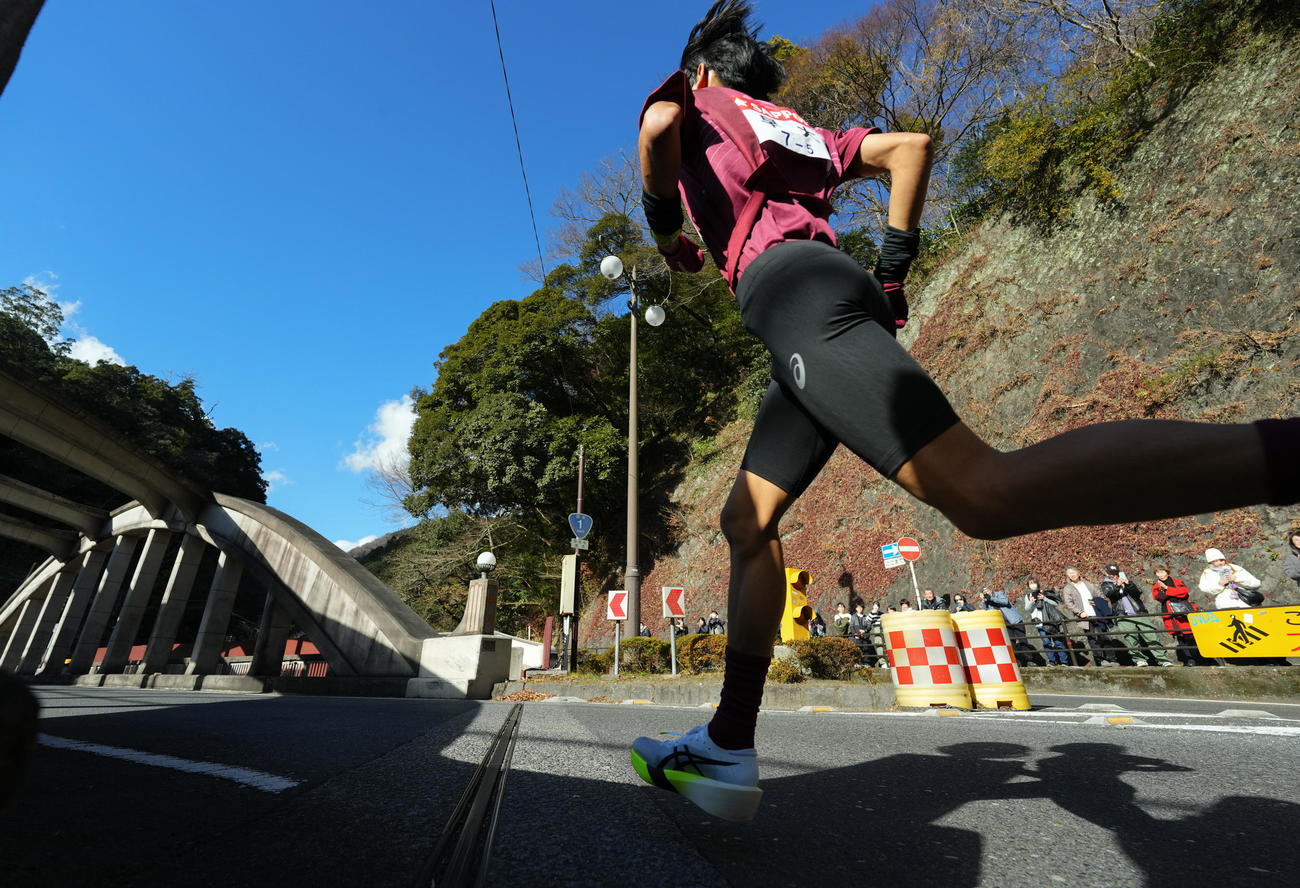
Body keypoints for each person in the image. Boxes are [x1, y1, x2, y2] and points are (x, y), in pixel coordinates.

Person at [629, 0, 1300, 822]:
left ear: (700, 67)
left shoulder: (696, 95)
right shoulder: (794, 125)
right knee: (746, 521)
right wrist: (894, 272)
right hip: (821, 302)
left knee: (984, 494)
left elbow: (659, 127)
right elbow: (910, 149)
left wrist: (667, 231)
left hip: (793, 297)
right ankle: (729, 743)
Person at [1100, 563, 1172, 667]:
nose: (1114, 575)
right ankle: (1139, 660)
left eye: (1115, 573)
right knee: (1131, 638)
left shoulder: (1126, 580)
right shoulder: (1105, 584)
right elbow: (1110, 594)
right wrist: (1117, 585)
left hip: (1138, 612)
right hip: (1122, 615)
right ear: (1106, 573)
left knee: (1151, 636)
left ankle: (1163, 659)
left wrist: (1128, 584)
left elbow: (1138, 592)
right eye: (1111, 573)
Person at [1059, 567, 1117, 667]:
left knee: (1105, 636)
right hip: (1085, 617)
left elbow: (1101, 595)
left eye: (1073, 572)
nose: (1072, 575)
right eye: (1069, 574)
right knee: (1093, 639)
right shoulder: (1068, 588)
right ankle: (1101, 661)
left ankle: (1112, 659)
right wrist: (1080, 612)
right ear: (1067, 576)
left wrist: (1097, 602)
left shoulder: (1088, 584)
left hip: (1098, 614)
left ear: (1078, 573)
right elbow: (1069, 603)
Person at [1151, 565, 1201, 666]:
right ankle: (1190, 660)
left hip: (1183, 611)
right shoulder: (1156, 586)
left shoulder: (1177, 581)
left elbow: (1183, 593)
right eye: (1158, 572)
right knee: (1180, 637)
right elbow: (1159, 598)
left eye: (1162, 571)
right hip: (1170, 614)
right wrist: (1165, 591)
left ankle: (1199, 657)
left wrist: (1167, 588)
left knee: (1190, 635)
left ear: (1167, 572)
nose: (1160, 574)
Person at [982, 586, 1042, 667]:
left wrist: (991, 598)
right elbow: (986, 612)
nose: (987, 593)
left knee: (1023, 641)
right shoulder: (987, 602)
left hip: (1015, 621)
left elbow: (1005, 602)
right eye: (984, 592)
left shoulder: (999, 594)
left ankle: (1030, 660)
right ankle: (1021, 662)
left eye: (987, 591)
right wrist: (984, 601)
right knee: (1012, 644)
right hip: (1005, 624)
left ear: (991, 590)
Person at [1198, 548, 1263, 610]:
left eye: (1221, 560)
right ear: (1210, 562)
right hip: (1225, 605)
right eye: (1215, 561)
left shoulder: (1235, 568)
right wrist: (1219, 585)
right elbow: (1204, 589)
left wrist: (1237, 578)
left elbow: (1256, 583)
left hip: (1246, 603)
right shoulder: (1208, 573)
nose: (1219, 563)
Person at [1027, 582, 1069, 666]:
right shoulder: (1028, 596)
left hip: (1051, 620)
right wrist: (1030, 603)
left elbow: (1055, 604)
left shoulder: (1045, 592)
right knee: (1046, 643)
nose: (1032, 584)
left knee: (1058, 642)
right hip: (1039, 622)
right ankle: (1052, 661)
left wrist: (1044, 598)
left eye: (1033, 582)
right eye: (1030, 583)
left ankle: (1064, 661)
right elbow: (1028, 609)